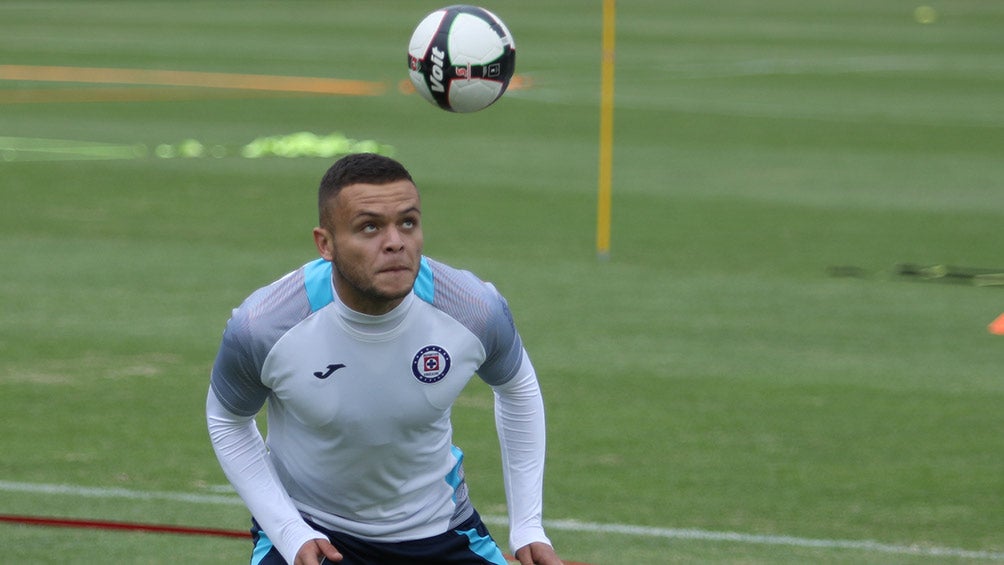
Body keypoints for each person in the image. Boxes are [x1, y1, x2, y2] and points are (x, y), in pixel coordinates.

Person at [206, 152, 562, 565]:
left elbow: (518, 388)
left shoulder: (474, 309)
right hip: (315, 534)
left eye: (407, 222)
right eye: (370, 227)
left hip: (441, 532)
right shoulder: (263, 326)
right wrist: (288, 530)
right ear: (326, 243)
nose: (395, 242)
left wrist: (527, 524)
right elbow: (227, 420)